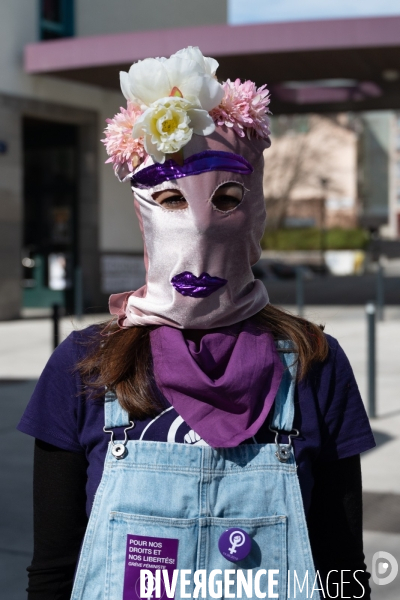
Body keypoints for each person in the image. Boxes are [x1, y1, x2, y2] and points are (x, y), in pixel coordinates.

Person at [18, 47, 376, 600]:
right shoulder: (83, 367)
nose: (201, 232)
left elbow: (342, 570)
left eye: (227, 200)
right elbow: (52, 573)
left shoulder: (313, 364)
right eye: (169, 199)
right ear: (143, 214)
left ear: (253, 212)